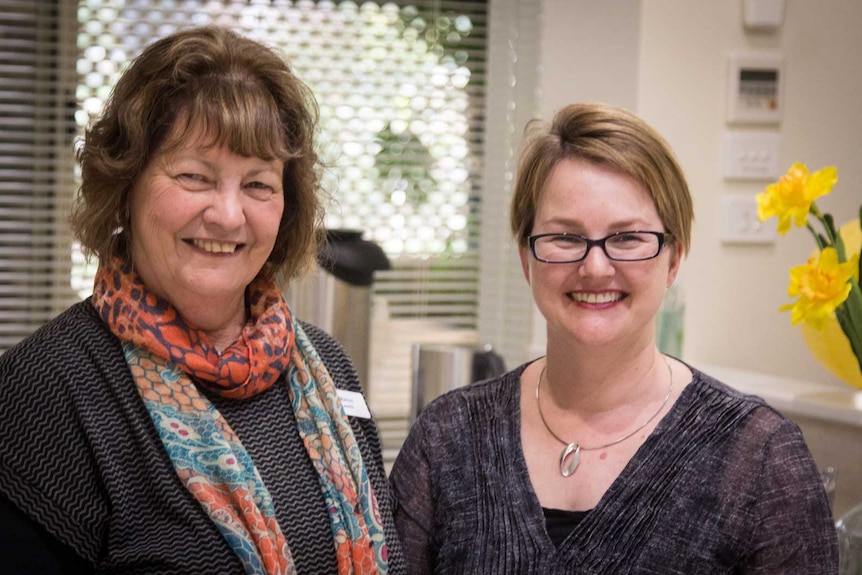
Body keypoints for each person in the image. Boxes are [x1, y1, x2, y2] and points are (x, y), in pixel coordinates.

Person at [0, 26, 404, 574]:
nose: (228, 215)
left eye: (258, 184)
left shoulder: (328, 369)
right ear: (125, 186)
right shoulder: (43, 389)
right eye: (194, 176)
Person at [389, 102, 838, 573]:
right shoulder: (447, 439)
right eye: (565, 236)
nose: (595, 267)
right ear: (527, 259)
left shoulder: (761, 457)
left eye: (626, 238)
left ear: (674, 258)